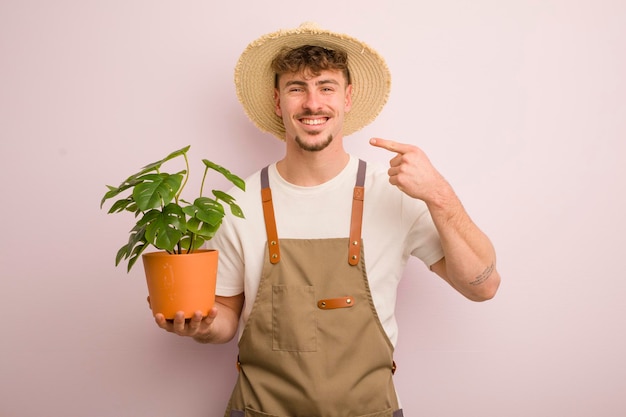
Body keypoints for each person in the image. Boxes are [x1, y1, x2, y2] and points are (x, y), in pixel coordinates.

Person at [154, 22, 501, 417]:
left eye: (326, 86)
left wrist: (439, 194)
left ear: (348, 97)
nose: (312, 103)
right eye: (296, 88)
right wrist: (202, 327)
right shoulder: (239, 204)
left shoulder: (395, 195)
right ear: (277, 100)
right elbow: (226, 320)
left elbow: (483, 286)